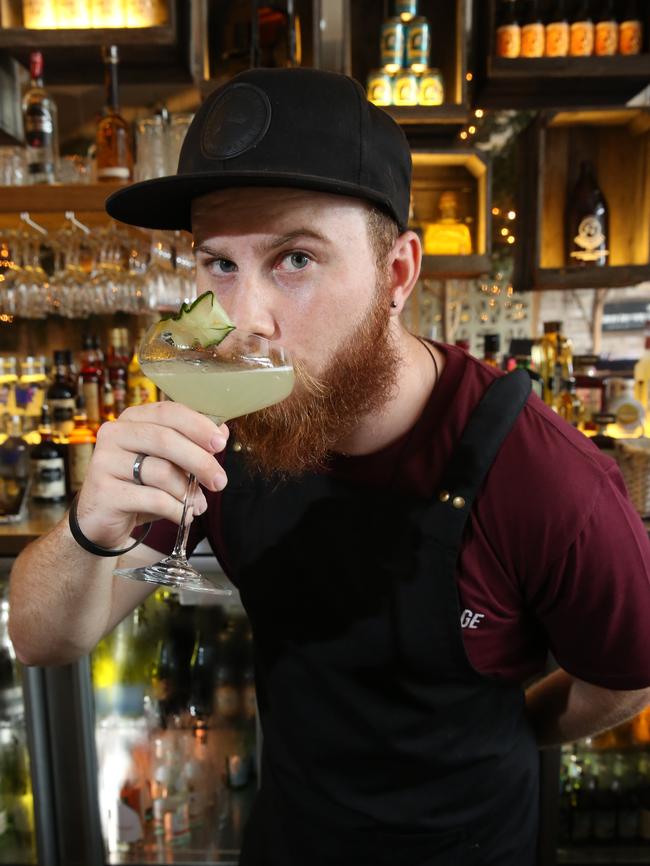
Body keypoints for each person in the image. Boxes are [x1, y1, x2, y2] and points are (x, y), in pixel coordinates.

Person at [8, 68, 650, 865]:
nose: (247, 323)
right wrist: (87, 528)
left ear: (397, 275)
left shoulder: (551, 482)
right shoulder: (226, 434)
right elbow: (40, 638)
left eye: (296, 260)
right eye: (219, 265)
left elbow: (623, 677)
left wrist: (511, 732)